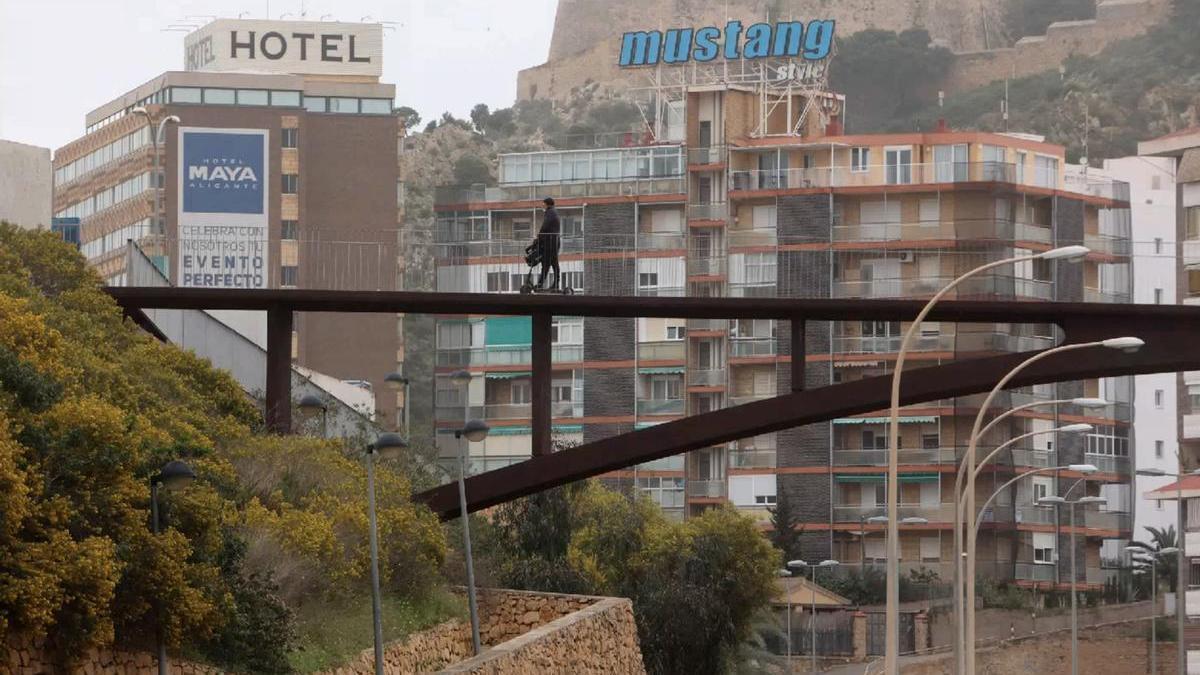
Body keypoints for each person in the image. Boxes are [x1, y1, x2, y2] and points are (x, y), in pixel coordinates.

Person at [536, 196, 561, 290]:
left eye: (543, 203)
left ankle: (540, 284)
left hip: (550, 243)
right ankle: (555, 284)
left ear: (547, 204)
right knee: (554, 263)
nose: (542, 205)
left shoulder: (550, 213)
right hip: (554, 242)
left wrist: (538, 238)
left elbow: (545, 227)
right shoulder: (553, 212)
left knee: (546, 263)